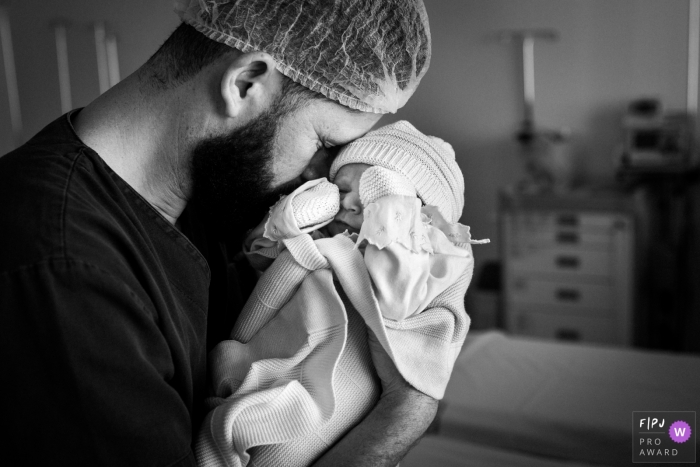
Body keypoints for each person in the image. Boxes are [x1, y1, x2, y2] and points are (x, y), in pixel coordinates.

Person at [0, 1, 434, 466]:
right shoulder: (62, 264)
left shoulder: (212, 198)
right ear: (245, 82)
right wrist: (406, 406)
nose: (319, 179)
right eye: (323, 145)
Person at [196, 121, 488, 467]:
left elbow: (395, 297)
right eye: (339, 189)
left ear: (418, 217)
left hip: (341, 390)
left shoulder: (426, 262)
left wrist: (386, 211)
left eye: (376, 192)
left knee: (281, 449)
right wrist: (301, 213)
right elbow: (259, 251)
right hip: (269, 369)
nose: (348, 201)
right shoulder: (323, 240)